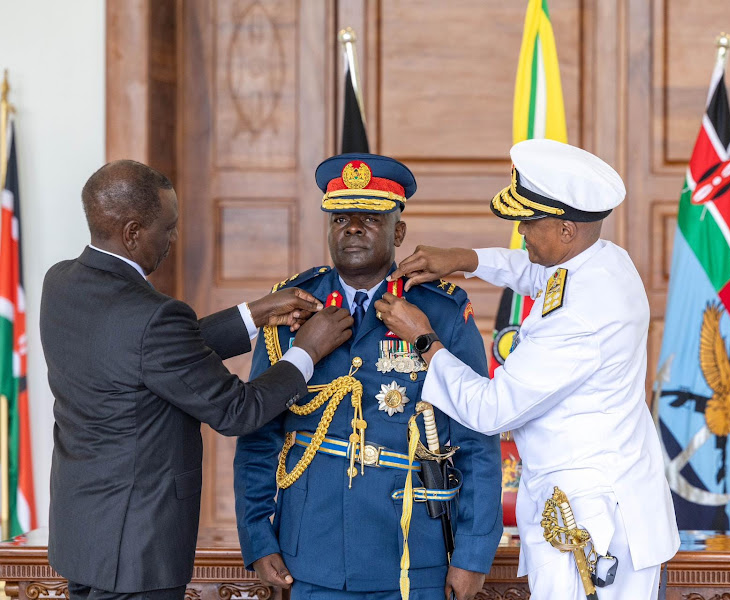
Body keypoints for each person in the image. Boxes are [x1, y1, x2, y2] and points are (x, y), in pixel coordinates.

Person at [374, 140, 680, 599]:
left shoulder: (578, 317)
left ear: (565, 229)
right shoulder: (605, 261)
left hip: (587, 527)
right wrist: (464, 259)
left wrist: (423, 339)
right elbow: (534, 272)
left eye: (529, 222)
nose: (520, 231)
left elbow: (491, 409)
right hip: (609, 500)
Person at [40, 160, 354, 600]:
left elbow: (142, 356)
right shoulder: (151, 318)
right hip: (138, 551)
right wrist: (309, 349)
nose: (173, 238)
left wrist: (253, 314)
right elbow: (238, 410)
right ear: (132, 233)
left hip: (83, 538)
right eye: (167, 228)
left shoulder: (61, 283)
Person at [233, 153, 503, 600]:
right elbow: (259, 432)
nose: (352, 228)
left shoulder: (441, 312)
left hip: (413, 554)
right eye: (340, 217)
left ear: (399, 231)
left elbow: (477, 437)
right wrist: (258, 536)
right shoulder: (291, 308)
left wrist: (473, 554)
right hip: (312, 552)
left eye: (370, 218)